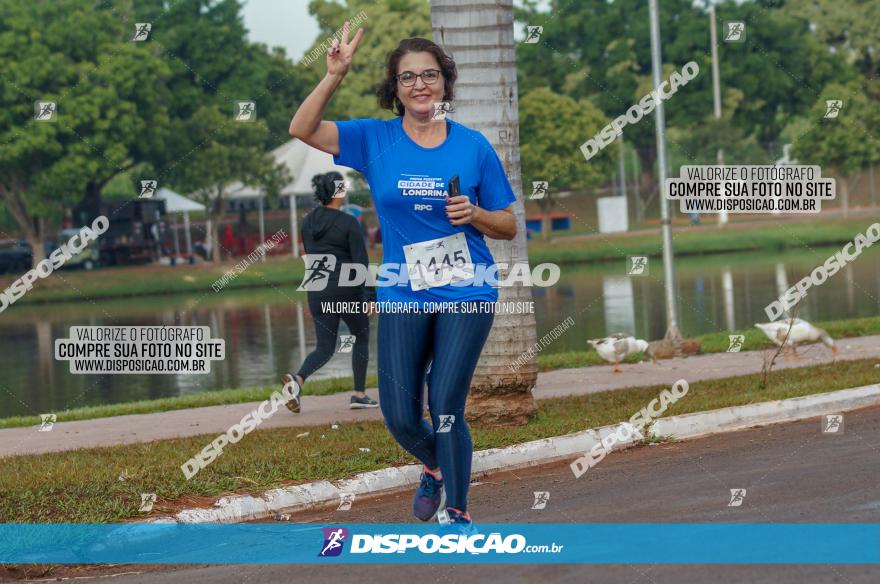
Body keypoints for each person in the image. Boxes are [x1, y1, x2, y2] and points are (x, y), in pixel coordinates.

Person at [288, 23, 518, 529]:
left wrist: (474, 214)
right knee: (396, 411)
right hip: (402, 289)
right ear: (395, 87)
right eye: (408, 77)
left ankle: (457, 512)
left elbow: (507, 223)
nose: (420, 85)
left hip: (466, 287)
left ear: (445, 83)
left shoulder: (473, 146)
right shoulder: (375, 138)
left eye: (430, 75)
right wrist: (333, 75)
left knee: (447, 403)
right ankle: (435, 466)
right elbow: (301, 129)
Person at [281, 171, 378, 413]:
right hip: (346, 290)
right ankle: (359, 395)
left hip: (317, 290)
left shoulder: (307, 222)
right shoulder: (349, 223)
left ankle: (298, 379)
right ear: (339, 192)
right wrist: (370, 296)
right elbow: (360, 263)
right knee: (361, 336)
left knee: (324, 347)